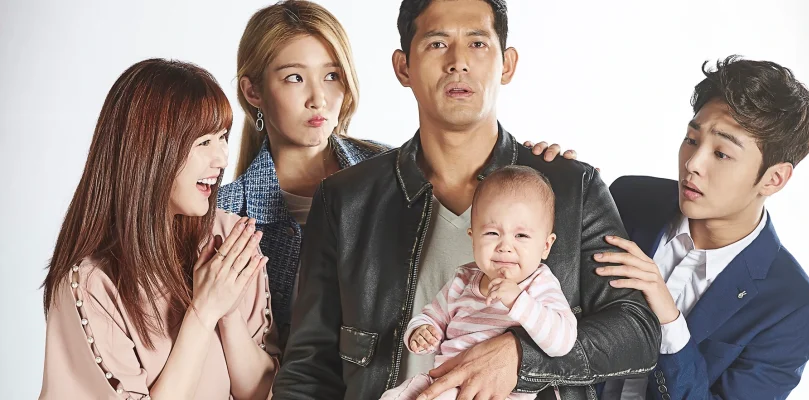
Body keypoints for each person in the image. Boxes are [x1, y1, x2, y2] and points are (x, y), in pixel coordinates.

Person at [274, 1, 660, 399]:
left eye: (477, 43)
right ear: (403, 67)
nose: (458, 62)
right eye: (437, 44)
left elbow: (637, 331)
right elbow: (307, 373)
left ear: (507, 64)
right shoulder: (346, 200)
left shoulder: (572, 188)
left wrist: (519, 357)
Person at [218, 0, 575, 348]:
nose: (318, 98)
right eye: (295, 78)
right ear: (252, 91)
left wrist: (548, 171)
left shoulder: (394, 175)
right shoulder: (223, 214)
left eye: (332, 76)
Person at [39, 59, 279, 400]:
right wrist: (203, 312)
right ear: (149, 151)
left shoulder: (229, 237)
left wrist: (228, 315)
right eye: (203, 143)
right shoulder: (94, 284)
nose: (222, 159)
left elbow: (264, 392)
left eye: (222, 137)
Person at [597, 56, 809, 399]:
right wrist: (545, 183)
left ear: (774, 178)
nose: (692, 163)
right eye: (692, 139)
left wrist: (670, 323)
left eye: (721, 154)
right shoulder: (627, 198)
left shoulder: (794, 309)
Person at [381, 166, 577, 400]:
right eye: (492, 233)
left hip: (497, 393)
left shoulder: (539, 284)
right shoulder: (463, 279)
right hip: (444, 380)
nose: (505, 246)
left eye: (521, 236)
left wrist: (518, 300)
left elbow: (563, 342)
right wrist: (421, 331)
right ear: (473, 238)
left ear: (545, 246)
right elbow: (432, 316)